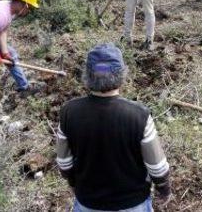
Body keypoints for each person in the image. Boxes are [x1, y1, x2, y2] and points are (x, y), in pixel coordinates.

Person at [56, 43, 172, 211]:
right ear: (121, 74)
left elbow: (64, 163)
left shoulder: (68, 112)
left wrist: (74, 185)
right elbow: (157, 168)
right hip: (133, 204)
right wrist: (164, 190)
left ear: (88, 75)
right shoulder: (139, 115)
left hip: (88, 202)